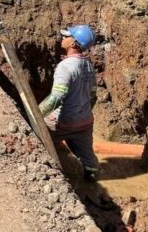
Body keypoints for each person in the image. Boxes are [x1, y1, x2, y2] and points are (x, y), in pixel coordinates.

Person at [40, 24, 99, 182]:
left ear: (73, 43)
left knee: (37, 134)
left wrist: (35, 115)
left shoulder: (65, 67)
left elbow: (56, 97)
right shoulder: (89, 66)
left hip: (63, 122)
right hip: (85, 122)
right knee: (88, 158)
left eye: (66, 36)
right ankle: (91, 179)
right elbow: (93, 95)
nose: (63, 38)